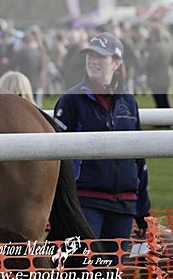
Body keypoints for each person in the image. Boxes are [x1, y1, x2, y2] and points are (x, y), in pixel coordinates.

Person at [53, 32, 150, 264]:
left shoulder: (129, 101)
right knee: (78, 276)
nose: (93, 61)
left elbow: (139, 158)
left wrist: (142, 209)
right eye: (90, 55)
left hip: (124, 205)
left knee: (112, 278)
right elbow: (55, 159)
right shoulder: (71, 100)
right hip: (85, 202)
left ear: (116, 63)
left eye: (101, 56)